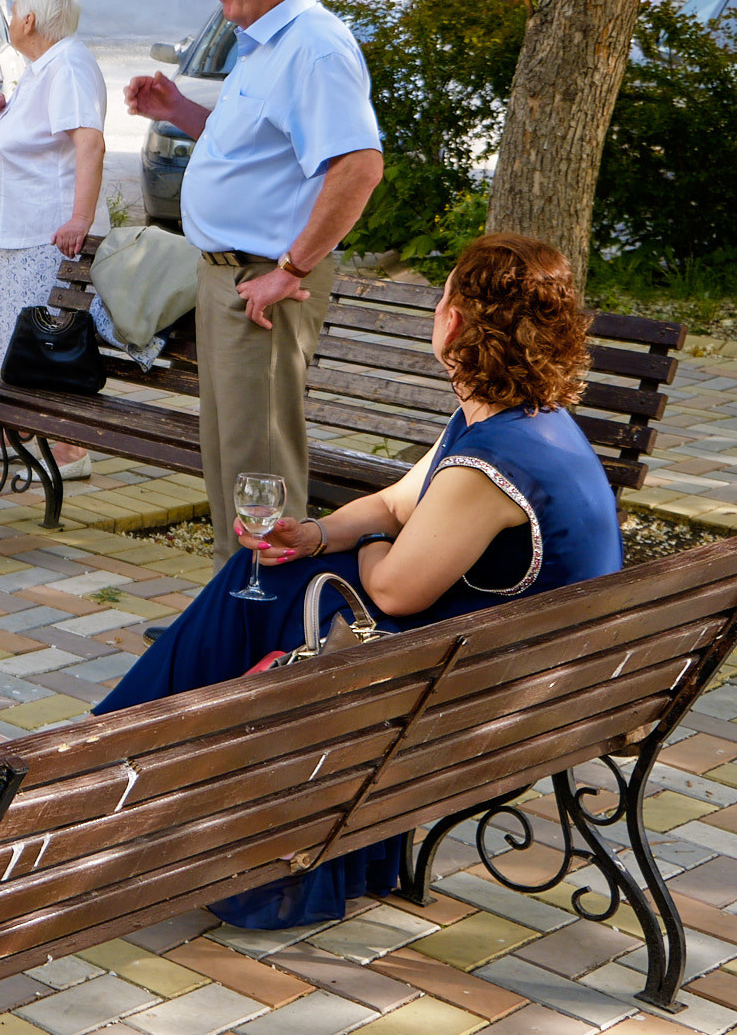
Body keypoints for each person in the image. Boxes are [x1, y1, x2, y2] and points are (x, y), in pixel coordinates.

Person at [95, 233, 625, 926]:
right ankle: (142, 765)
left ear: (454, 322)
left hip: (496, 693)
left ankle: (118, 763)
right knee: (273, 573)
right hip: (515, 663)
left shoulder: (495, 459)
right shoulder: (514, 417)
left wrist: (370, 542)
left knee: (283, 599)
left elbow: (396, 590)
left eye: (443, 296)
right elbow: (398, 504)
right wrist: (314, 535)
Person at [125, 0, 384, 568]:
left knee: (260, 468)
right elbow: (254, 148)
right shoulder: (265, 44)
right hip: (228, 277)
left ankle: (267, 615)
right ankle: (234, 601)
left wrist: (290, 271)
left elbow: (358, 167)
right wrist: (178, 110)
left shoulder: (315, 48)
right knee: (230, 456)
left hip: (266, 283)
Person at [0, 0, 110, 478]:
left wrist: (81, 218)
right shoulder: (45, 66)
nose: (11, 18)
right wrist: (6, 114)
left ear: (29, 19)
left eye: (14, 10)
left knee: (47, 341)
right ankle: (20, 431)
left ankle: (69, 449)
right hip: (20, 231)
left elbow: (89, 143)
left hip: (47, 233)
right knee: (15, 338)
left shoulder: (68, 65)